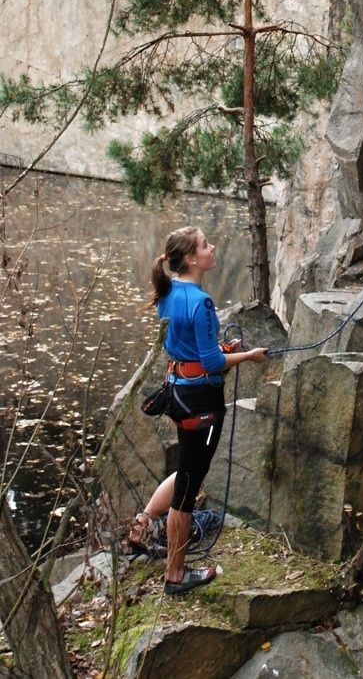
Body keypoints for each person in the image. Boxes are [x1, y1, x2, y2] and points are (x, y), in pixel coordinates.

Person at [128, 225, 269, 595]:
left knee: (186, 468)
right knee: (188, 489)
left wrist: (225, 350)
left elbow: (190, 347)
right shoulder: (202, 302)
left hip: (177, 392)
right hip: (201, 405)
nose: (213, 247)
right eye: (206, 244)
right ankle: (176, 574)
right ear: (191, 258)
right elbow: (209, 362)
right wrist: (247, 356)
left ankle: (142, 523)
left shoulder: (168, 291)